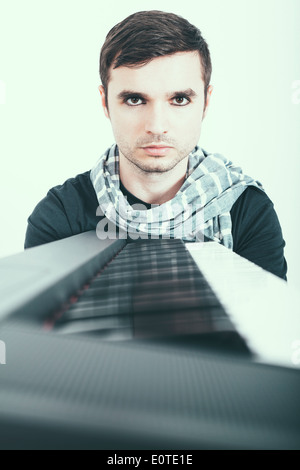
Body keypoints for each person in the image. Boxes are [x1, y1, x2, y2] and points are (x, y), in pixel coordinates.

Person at [24, 10, 287, 280]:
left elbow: (267, 321)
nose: (157, 125)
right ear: (105, 102)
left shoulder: (246, 209)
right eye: (135, 100)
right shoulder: (61, 214)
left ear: (206, 102)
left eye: (180, 99)